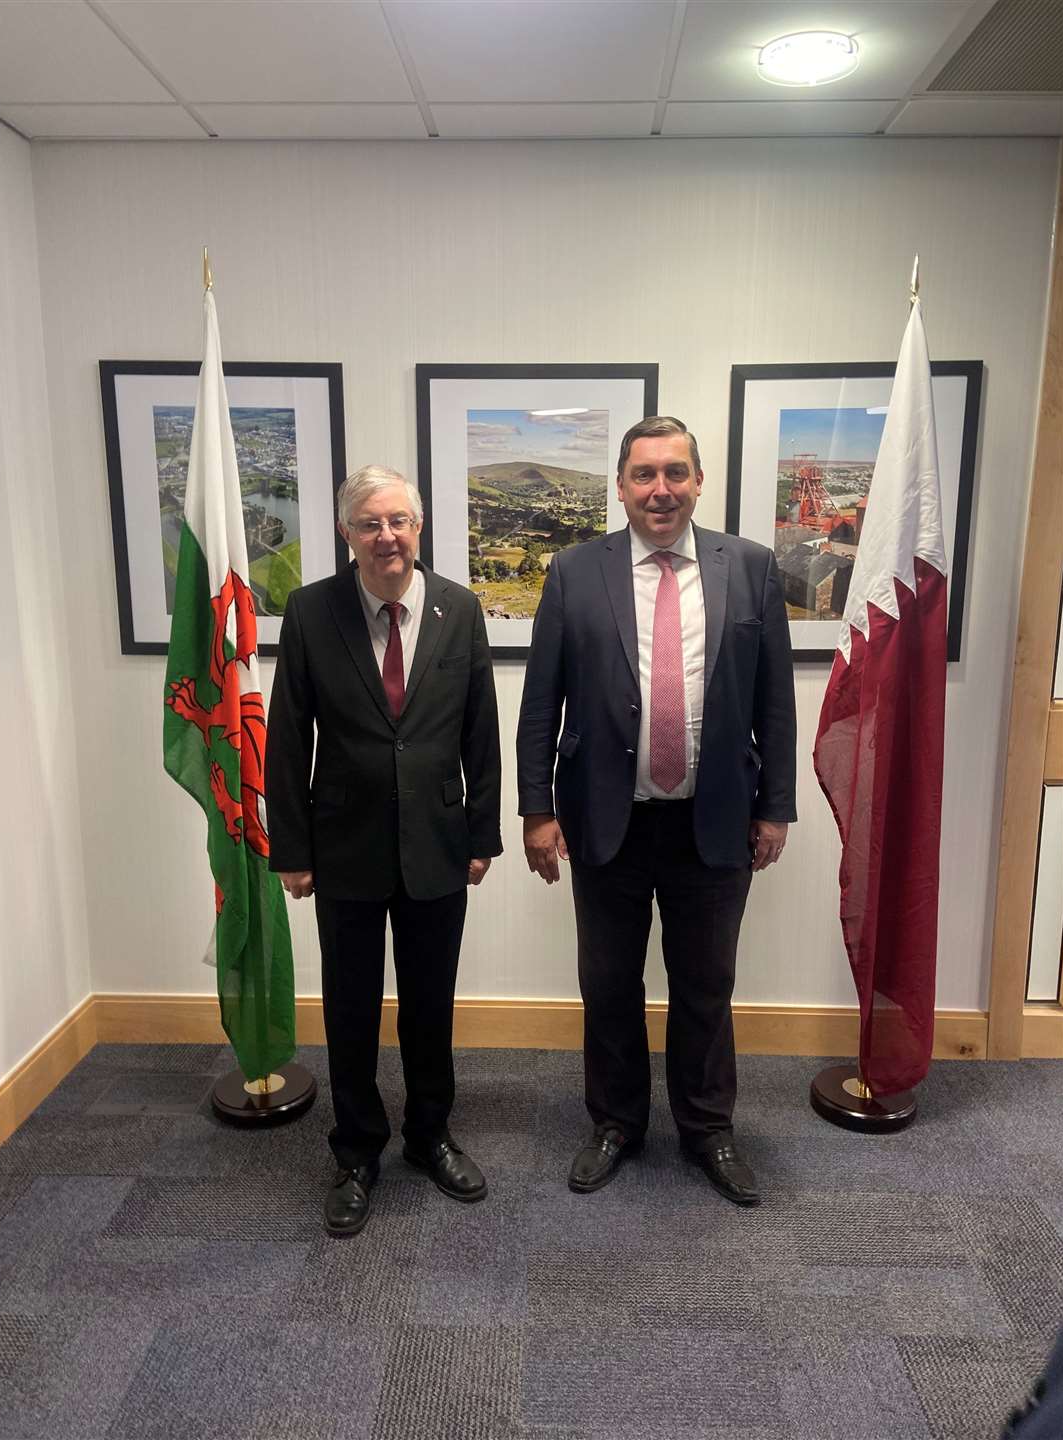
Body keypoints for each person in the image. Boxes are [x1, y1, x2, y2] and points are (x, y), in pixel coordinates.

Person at [516, 416, 796, 1206]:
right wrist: (536, 810)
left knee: (707, 983)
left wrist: (775, 806)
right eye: (644, 475)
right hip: (608, 819)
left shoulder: (750, 568)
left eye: (675, 472)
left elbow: (774, 702)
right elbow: (541, 704)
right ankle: (615, 1123)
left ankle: (708, 1129)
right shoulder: (574, 572)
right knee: (608, 984)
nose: (660, 489)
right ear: (621, 486)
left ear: (699, 481)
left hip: (715, 823)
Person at [266, 464, 502, 1236]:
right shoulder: (310, 611)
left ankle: (430, 1135)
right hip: (345, 849)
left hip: (439, 843)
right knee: (351, 1009)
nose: (387, 536)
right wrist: (292, 850)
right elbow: (288, 734)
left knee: (431, 1008)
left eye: (399, 520)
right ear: (347, 534)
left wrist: (482, 832)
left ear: (419, 526)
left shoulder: (459, 610)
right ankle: (357, 1151)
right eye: (370, 523)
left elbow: (481, 732)